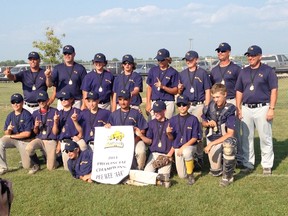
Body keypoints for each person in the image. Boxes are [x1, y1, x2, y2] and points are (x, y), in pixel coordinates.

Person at [235, 45, 278, 175]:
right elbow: (239, 90)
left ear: (260, 56)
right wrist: (238, 108)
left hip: (263, 107)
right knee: (246, 137)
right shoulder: (243, 71)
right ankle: (248, 163)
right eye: (248, 55)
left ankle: (267, 164)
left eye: (253, 55)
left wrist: (271, 108)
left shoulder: (268, 70)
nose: (250, 58)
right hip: (247, 108)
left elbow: (274, 90)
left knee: (265, 137)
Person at [210, 42, 243, 167]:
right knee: (220, 128)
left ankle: (237, 157)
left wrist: (238, 106)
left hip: (231, 100)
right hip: (218, 102)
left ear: (229, 52)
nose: (220, 53)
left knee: (233, 130)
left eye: (223, 51)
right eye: (218, 51)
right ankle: (223, 156)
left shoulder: (235, 69)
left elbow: (240, 88)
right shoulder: (214, 70)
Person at [178, 50, 212, 170]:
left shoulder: (202, 73)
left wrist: (206, 106)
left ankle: (199, 156)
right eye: (187, 60)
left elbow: (208, 90)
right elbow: (179, 92)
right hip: (187, 105)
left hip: (199, 105)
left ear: (196, 60)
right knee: (185, 130)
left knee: (198, 131)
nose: (188, 62)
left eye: (191, 59)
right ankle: (188, 155)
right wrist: (179, 89)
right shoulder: (182, 74)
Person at [202, 84, 237, 186]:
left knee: (229, 145)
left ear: (225, 94)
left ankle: (228, 176)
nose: (215, 100)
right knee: (215, 171)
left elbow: (230, 133)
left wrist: (211, 144)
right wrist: (207, 123)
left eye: (218, 97)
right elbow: (203, 122)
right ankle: (220, 166)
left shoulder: (230, 109)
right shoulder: (209, 106)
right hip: (212, 136)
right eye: (213, 97)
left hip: (224, 138)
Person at [105, 90, 148, 170]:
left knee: (141, 151)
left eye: (125, 99)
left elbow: (143, 130)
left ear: (130, 100)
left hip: (135, 140)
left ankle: (139, 169)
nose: (122, 102)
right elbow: (110, 130)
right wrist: (107, 127)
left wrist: (135, 140)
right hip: (119, 143)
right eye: (120, 99)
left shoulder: (136, 113)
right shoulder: (114, 114)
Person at [135, 100, 174, 183]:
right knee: (146, 174)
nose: (156, 113)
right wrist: (141, 135)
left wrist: (169, 134)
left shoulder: (171, 123)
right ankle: (158, 179)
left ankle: (161, 176)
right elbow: (149, 141)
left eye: (158, 111)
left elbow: (175, 142)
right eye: (154, 111)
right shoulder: (151, 123)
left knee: (164, 175)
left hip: (165, 154)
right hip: (153, 154)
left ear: (164, 110)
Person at [166, 95, 200, 185]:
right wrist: (169, 133)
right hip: (178, 148)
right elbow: (172, 139)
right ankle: (193, 163)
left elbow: (195, 138)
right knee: (182, 175)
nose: (181, 107)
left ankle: (191, 175)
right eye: (179, 105)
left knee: (187, 152)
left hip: (190, 145)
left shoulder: (193, 119)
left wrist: (183, 147)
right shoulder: (173, 120)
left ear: (188, 105)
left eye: (184, 104)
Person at [25, 91, 59, 174]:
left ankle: (57, 159)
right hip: (40, 139)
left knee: (51, 167)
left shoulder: (55, 112)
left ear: (47, 100)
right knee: (28, 148)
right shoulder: (35, 113)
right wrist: (36, 127)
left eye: (43, 100)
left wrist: (55, 122)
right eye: (39, 101)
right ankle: (36, 164)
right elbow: (35, 132)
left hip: (50, 140)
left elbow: (56, 133)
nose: (41, 103)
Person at [52, 90, 87, 170]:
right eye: (61, 99)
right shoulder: (58, 113)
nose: (63, 100)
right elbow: (55, 132)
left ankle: (85, 161)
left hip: (75, 139)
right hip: (65, 142)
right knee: (67, 168)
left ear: (71, 99)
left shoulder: (77, 112)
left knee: (83, 145)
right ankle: (60, 159)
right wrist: (55, 122)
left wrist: (75, 121)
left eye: (66, 98)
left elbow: (82, 130)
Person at [45, 45, 87, 110]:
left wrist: (84, 104)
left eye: (69, 53)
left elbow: (85, 89)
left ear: (74, 54)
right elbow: (49, 85)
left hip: (76, 102)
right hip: (62, 101)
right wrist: (48, 77)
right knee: (61, 120)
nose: (67, 55)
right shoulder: (58, 68)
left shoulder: (80, 68)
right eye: (65, 53)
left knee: (76, 120)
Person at [0, 93, 33, 175]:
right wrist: (9, 130)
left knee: (27, 166)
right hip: (14, 139)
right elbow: (6, 133)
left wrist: (10, 135)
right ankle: (3, 167)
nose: (15, 104)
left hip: (24, 141)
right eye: (13, 102)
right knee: (1, 141)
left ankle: (31, 158)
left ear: (22, 102)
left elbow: (27, 134)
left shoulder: (27, 115)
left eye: (18, 102)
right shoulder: (10, 116)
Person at [146, 48, 179, 119]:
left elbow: (175, 91)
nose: (160, 62)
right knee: (154, 125)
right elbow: (149, 87)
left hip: (168, 101)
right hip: (155, 101)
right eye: (158, 60)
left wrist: (163, 87)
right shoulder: (153, 70)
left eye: (162, 60)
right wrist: (148, 103)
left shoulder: (173, 72)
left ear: (168, 59)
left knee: (167, 125)